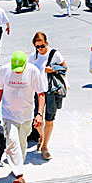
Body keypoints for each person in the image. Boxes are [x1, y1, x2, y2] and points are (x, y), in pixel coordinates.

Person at [0, 51, 47, 183]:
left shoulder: (33, 71)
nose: (17, 72)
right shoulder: (5, 70)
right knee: (12, 141)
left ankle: (17, 167)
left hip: (26, 114)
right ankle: (19, 174)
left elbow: (41, 94)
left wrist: (39, 114)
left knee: (22, 143)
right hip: (9, 114)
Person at [29, 32, 67, 161]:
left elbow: (65, 68)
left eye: (42, 46)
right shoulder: (33, 56)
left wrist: (53, 69)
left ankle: (45, 146)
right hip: (37, 92)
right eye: (37, 46)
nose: (40, 49)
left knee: (49, 119)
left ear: (47, 43)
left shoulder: (54, 54)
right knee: (37, 119)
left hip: (51, 90)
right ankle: (41, 137)